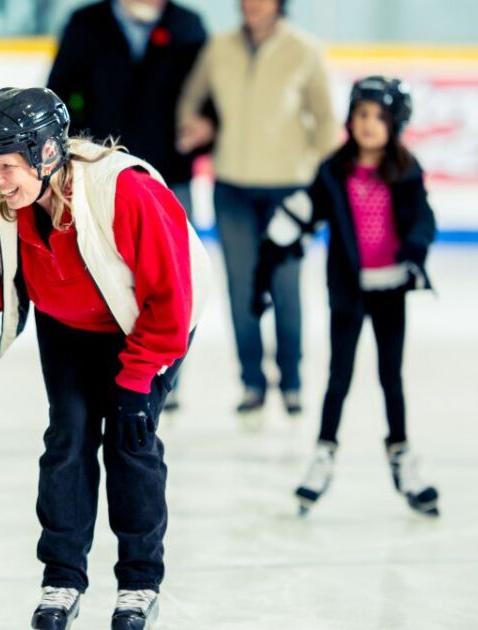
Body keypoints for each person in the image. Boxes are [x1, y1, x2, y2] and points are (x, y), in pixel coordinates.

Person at [0, 87, 211, 630]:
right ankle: (63, 579)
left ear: (47, 155)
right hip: (70, 329)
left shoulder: (126, 193)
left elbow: (171, 299)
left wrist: (137, 380)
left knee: (131, 444)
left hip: (145, 327)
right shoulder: (1, 209)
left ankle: (139, 584)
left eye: (7, 167)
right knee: (68, 441)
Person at [252, 77, 440, 517]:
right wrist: (271, 253)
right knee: (339, 378)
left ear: (397, 123)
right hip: (348, 291)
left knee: (391, 379)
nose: (369, 124)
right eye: (361, 114)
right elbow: (305, 210)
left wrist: (415, 248)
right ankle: (323, 454)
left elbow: (423, 219)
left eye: (379, 116)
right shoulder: (334, 171)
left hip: (390, 287)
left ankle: (402, 455)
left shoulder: (407, 171)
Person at [176, 0, 337, 416]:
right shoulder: (219, 47)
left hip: (289, 190)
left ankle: (292, 380)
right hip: (231, 188)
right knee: (241, 289)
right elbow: (191, 100)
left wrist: (324, 188)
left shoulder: (303, 49)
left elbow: (325, 122)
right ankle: (251, 381)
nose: (252, 4)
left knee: (285, 286)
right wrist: (197, 125)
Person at [47, 0, 207, 216]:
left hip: (169, 172)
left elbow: (208, 91)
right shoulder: (86, 23)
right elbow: (60, 93)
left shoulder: (187, 25)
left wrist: (205, 125)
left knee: (172, 246)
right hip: (98, 168)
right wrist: (76, 147)